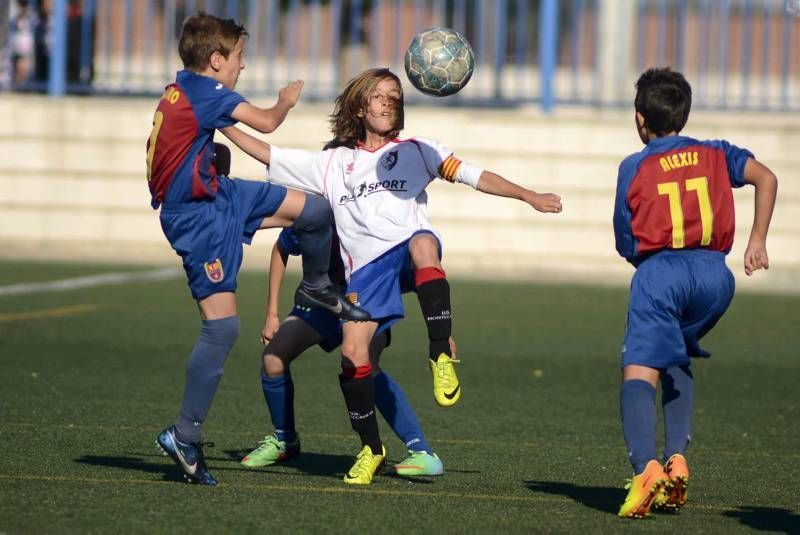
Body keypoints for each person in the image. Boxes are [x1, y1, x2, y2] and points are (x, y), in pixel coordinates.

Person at [222, 67, 562, 484]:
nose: (388, 103)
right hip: (363, 274)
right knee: (353, 355)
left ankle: (439, 353)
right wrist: (219, 122)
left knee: (423, 244)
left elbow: (476, 176)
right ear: (360, 106)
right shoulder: (333, 164)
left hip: (405, 252)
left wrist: (529, 196)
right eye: (379, 96)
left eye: (395, 97)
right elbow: (269, 155)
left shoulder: (418, 150)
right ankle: (371, 449)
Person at [147, 13, 369, 486]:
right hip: (197, 220)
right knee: (223, 329)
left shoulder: (184, 87)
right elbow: (266, 122)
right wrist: (285, 102)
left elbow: (183, 144)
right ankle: (185, 435)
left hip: (218, 195)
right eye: (239, 58)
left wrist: (207, 156)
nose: (242, 67)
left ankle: (315, 289)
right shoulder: (208, 92)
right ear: (216, 60)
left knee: (315, 211)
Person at [613, 67, 777, 518]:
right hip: (715, 279)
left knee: (638, 371)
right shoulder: (717, 153)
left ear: (641, 118)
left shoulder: (634, 165)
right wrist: (757, 239)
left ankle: (645, 469)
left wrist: (649, 269)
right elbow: (767, 177)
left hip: (661, 273)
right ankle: (677, 459)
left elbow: (626, 239)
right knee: (675, 358)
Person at [240, 226, 448, 476]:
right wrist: (272, 312)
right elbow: (281, 248)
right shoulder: (314, 214)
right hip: (323, 303)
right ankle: (285, 440)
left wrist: (443, 335)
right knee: (273, 358)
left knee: (367, 364)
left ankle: (421, 452)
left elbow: (419, 277)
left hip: (365, 300)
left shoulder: (371, 217)